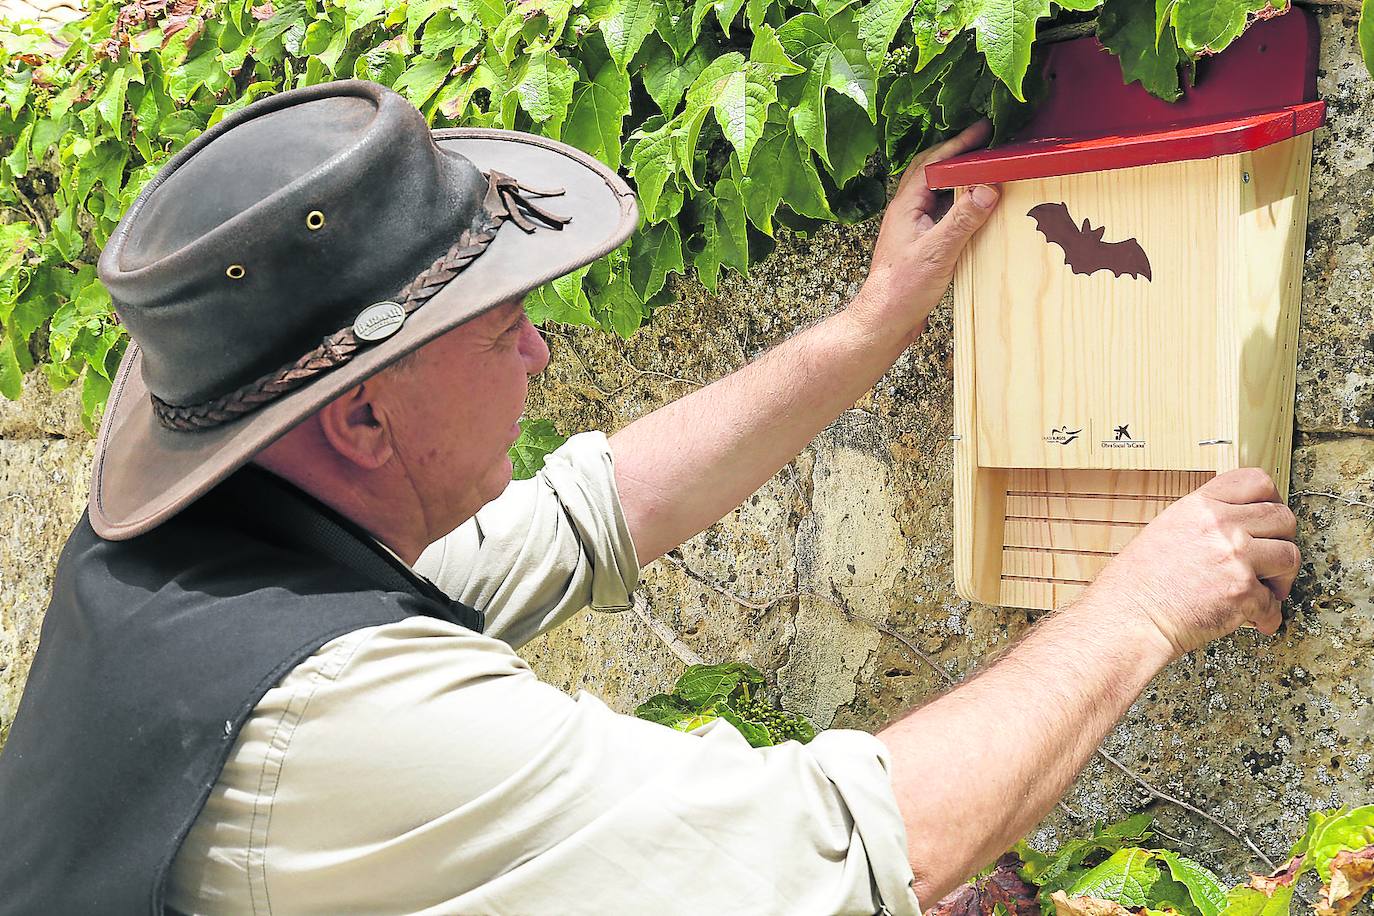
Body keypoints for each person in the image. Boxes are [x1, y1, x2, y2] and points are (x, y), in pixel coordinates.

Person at [0, 80, 1299, 915]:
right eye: (504, 322)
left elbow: (593, 512)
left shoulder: (213, 563)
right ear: (359, 415)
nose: (539, 352)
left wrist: (864, 328)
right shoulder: (341, 718)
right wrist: (1135, 607)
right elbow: (844, 843)